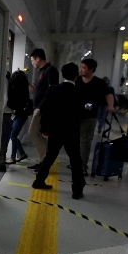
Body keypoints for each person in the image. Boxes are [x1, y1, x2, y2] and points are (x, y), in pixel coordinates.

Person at [32, 63, 86, 199]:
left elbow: (44, 107)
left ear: (62, 75)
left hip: (55, 129)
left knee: (50, 156)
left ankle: (39, 180)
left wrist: (45, 127)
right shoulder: (79, 91)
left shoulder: (53, 90)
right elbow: (82, 111)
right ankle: (77, 190)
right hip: (72, 130)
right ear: (77, 75)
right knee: (75, 159)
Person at [76, 58, 114, 176]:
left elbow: (108, 95)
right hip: (75, 115)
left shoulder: (98, 83)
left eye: (84, 68)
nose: (81, 70)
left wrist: (110, 106)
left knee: (85, 141)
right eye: (81, 67)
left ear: (91, 70)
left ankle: (82, 165)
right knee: (74, 141)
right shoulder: (77, 80)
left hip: (89, 116)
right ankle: (76, 161)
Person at [27, 48, 59, 171]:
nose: (32, 63)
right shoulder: (41, 72)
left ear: (38, 58)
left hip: (43, 109)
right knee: (39, 135)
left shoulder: (50, 71)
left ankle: (45, 161)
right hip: (38, 107)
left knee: (32, 133)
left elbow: (52, 91)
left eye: (32, 60)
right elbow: (38, 90)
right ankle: (43, 161)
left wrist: (41, 107)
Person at [2, 69, 31, 165]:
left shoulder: (17, 90)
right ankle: (22, 153)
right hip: (21, 115)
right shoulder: (24, 90)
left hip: (19, 115)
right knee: (13, 135)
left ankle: (13, 157)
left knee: (13, 135)